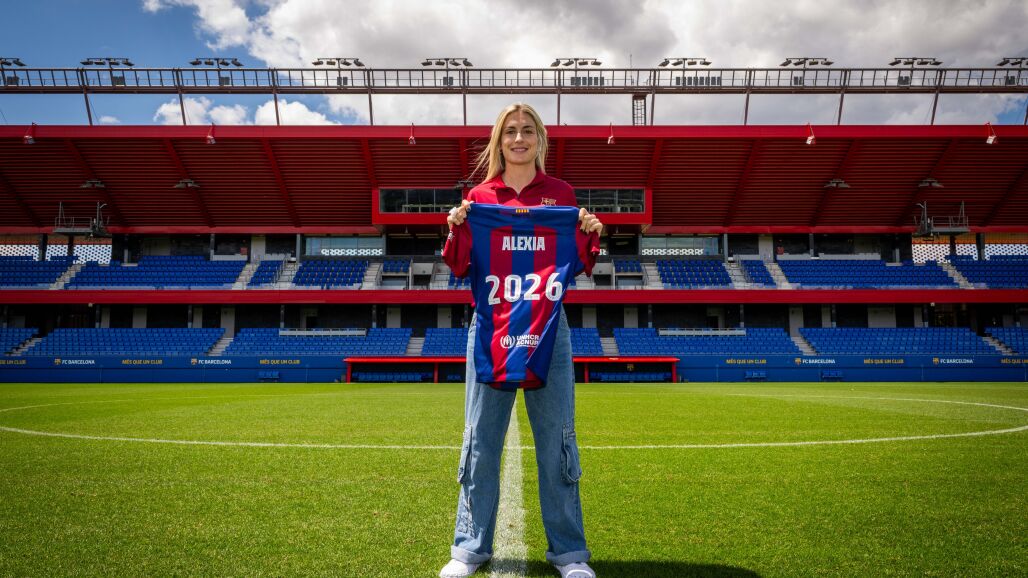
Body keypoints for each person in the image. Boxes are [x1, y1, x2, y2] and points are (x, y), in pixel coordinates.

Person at [438, 103, 603, 578]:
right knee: (481, 441)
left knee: (557, 439)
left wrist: (591, 232)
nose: (518, 138)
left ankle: (569, 554)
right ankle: (469, 549)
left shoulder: (561, 195)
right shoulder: (479, 197)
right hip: (491, 326)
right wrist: (456, 227)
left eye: (527, 130)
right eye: (510, 131)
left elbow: (582, 261)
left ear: (539, 140)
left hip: (548, 327)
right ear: (499, 141)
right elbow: (460, 265)